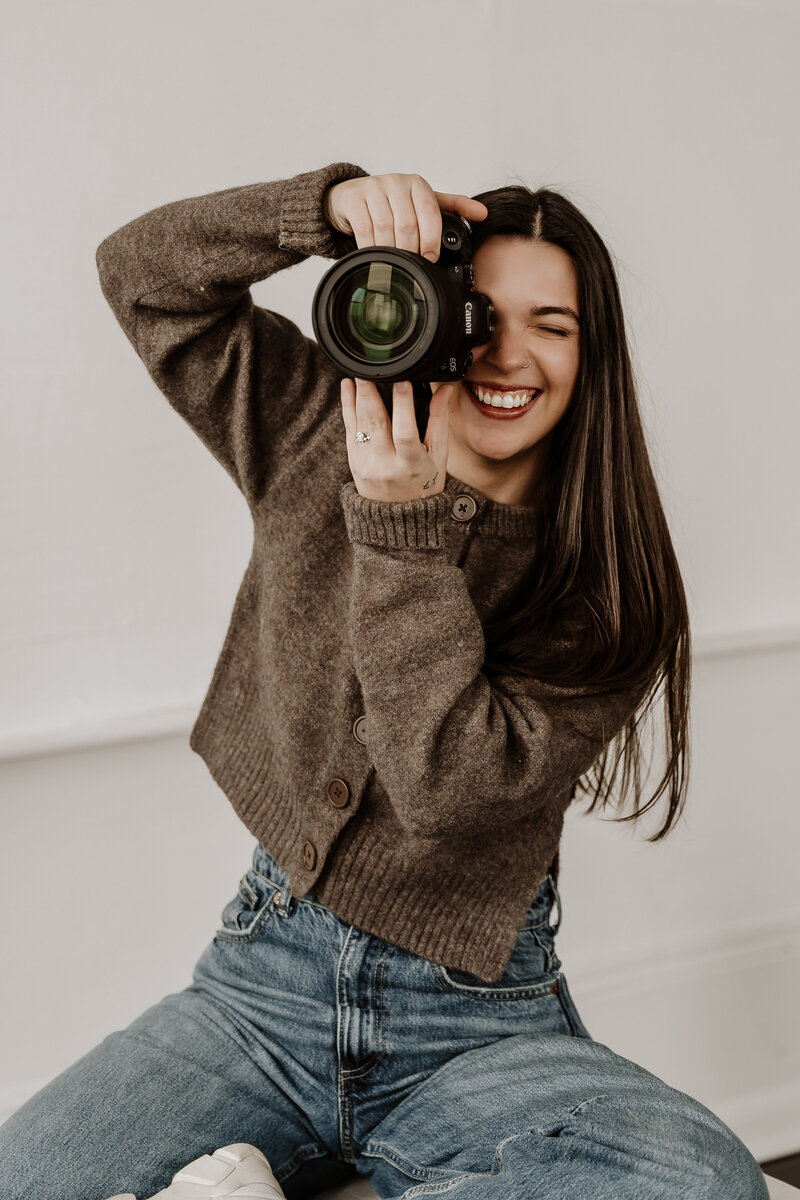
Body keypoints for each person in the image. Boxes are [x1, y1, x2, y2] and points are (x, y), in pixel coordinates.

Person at [0, 165, 769, 1200]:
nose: (507, 355)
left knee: (694, 1181)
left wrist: (404, 533)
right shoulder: (314, 421)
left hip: (476, 1024)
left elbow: (444, 792)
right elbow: (141, 276)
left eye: (551, 324)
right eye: (481, 315)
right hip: (257, 989)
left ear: (592, 356)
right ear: (435, 313)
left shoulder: (608, 583)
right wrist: (320, 210)